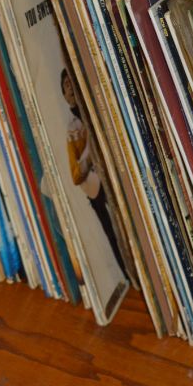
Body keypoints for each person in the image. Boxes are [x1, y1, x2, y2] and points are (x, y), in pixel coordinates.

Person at [60, 69, 125, 273]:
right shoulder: (72, 130)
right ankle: (129, 274)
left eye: (72, 82)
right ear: (64, 96)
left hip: (111, 174)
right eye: (66, 86)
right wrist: (88, 159)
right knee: (111, 232)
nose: (71, 88)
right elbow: (75, 175)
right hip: (95, 188)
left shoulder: (92, 111)